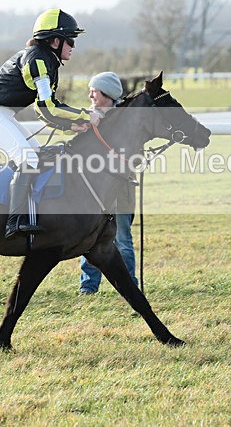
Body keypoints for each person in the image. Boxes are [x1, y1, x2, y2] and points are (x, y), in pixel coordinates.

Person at [0, 9, 96, 239]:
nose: (73, 46)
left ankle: (31, 212)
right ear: (55, 40)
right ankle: (14, 221)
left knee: (37, 155)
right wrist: (85, 116)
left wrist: (70, 126)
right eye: (70, 40)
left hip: (4, 114)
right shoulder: (37, 60)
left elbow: (44, 109)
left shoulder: (47, 60)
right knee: (28, 159)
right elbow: (48, 107)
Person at [78, 72, 139, 294]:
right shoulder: (86, 118)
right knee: (89, 239)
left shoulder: (127, 122)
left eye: (94, 90)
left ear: (107, 93)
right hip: (93, 192)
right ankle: (88, 286)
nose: (90, 95)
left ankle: (129, 286)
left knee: (122, 239)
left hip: (120, 191)